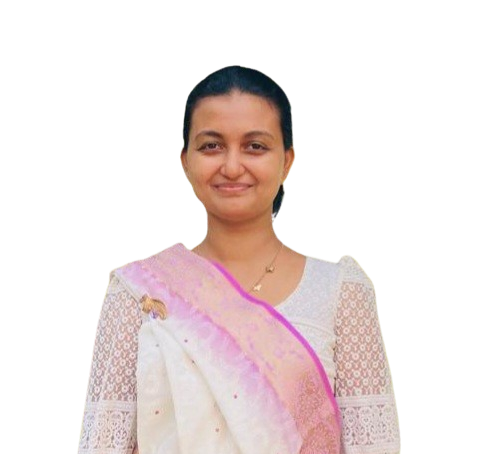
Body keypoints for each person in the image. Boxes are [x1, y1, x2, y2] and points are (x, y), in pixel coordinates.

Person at [77, 65, 401, 454]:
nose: (232, 166)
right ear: (186, 161)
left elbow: (375, 447)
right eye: (211, 146)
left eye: (255, 146)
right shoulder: (140, 293)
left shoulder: (340, 294)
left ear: (286, 161)